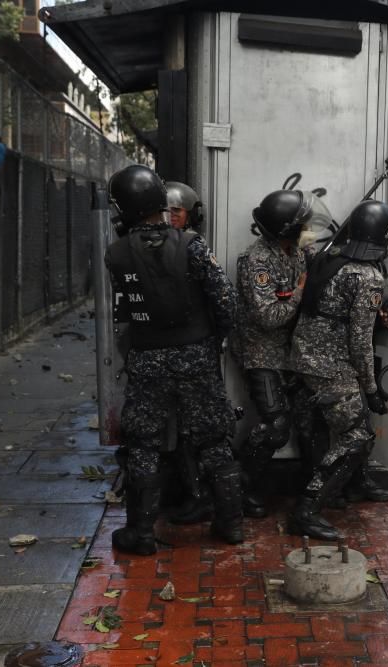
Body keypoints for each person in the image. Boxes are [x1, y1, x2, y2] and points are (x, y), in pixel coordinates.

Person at [105, 165, 242, 555]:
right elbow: (226, 302)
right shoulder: (191, 245)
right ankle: (230, 525)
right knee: (214, 440)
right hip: (197, 357)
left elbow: (124, 315)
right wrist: (212, 339)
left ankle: (141, 534)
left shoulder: (115, 254)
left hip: (147, 360)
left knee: (143, 446)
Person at [288, 200, 388, 541]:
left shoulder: (327, 258)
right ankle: (306, 510)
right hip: (330, 363)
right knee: (358, 435)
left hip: (303, 355)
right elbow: (361, 341)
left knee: (344, 422)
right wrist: (371, 389)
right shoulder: (369, 277)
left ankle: (353, 483)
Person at [234, 190, 314, 519]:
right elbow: (268, 318)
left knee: (309, 420)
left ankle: (313, 489)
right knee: (276, 425)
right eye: (301, 225)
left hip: (293, 353)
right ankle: (240, 487)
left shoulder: (296, 254)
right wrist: (299, 293)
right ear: (285, 230)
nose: (307, 229)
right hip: (263, 354)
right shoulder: (257, 262)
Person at [162, 181, 213, 526]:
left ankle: (203, 498)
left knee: (197, 430)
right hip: (166, 350)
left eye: (176, 212)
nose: (170, 218)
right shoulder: (152, 246)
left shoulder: (195, 248)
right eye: (165, 211)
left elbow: (219, 299)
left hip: (194, 350)